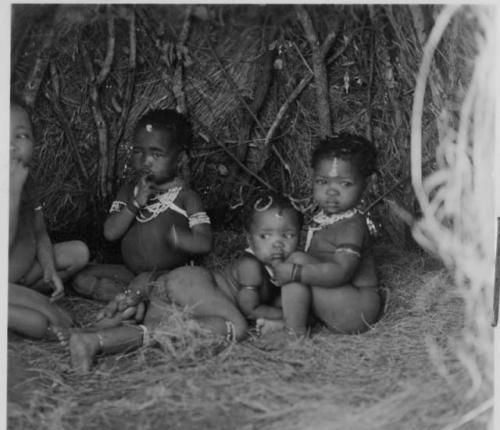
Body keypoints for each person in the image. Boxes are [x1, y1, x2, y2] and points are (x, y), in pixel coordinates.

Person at [67, 194, 303, 373]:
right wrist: (284, 318)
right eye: (266, 236)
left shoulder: (282, 267)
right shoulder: (251, 265)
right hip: (191, 282)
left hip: (176, 295)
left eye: (288, 235)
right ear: (249, 239)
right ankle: (96, 337)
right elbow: (250, 308)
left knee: (154, 334)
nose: (277, 244)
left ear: (300, 237)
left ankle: (92, 340)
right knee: (237, 327)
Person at [71, 108, 212, 305]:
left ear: (180, 159)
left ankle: (132, 301)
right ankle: (131, 300)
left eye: (156, 154)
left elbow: (205, 242)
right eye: (138, 151)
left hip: (165, 275)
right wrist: (135, 203)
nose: (145, 161)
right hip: (130, 273)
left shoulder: (186, 197)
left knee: (143, 283)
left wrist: (181, 239)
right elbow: (110, 233)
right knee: (81, 278)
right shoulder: (129, 191)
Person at [258, 132, 381, 338]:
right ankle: (289, 320)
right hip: (336, 299)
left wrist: (295, 273)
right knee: (292, 270)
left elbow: (342, 272)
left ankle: (294, 334)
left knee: (297, 263)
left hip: (356, 310)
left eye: (345, 184)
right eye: (323, 182)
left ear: (365, 185)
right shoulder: (324, 217)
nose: (331, 192)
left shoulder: (352, 224)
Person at [9, 99, 89, 340]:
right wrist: (12, 193)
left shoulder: (28, 183)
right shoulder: (13, 185)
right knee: (46, 320)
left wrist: (49, 267)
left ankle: (21, 295)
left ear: (35, 143)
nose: (12, 146)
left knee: (79, 252)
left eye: (21, 136)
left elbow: (40, 232)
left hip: (23, 273)